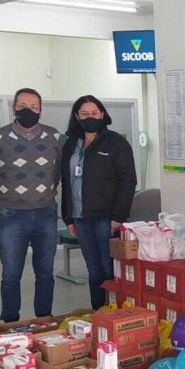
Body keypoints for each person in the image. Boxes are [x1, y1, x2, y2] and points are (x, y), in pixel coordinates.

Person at [0, 88, 61, 323]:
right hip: (12, 215)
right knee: (11, 273)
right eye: (23, 106)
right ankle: (10, 322)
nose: (28, 110)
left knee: (45, 272)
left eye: (34, 107)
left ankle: (44, 319)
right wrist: (7, 200)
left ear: (41, 110)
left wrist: (42, 194)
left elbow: (57, 172)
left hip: (46, 213)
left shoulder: (54, 137)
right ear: (13, 108)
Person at [61, 95, 137, 310]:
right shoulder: (71, 144)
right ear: (77, 116)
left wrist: (118, 216)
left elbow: (128, 181)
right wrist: (68, 216)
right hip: (80, 216)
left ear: (102, 114)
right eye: (84, 113)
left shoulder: (116, 142)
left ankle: (116, 312)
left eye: (94, 113)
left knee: (109, 268)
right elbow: (66, 181)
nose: (90, 117)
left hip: (106, 217)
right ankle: (98, 311)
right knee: (93, 269)